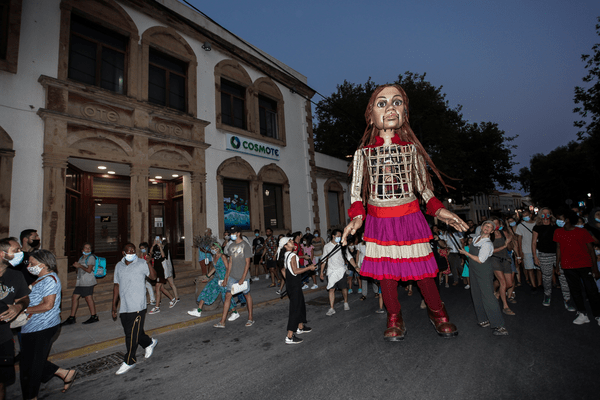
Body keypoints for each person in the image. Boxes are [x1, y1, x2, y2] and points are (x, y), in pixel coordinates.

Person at [342, 84, 467, 341]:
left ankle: (437, 311)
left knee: (421, 269)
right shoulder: (362, 155)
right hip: (379, 220)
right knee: (386, 274)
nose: (390, 108)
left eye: (397, 102)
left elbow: (424, 190)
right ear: (371, 115)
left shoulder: (412, 150)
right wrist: (356, 218)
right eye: (381, 103)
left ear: (405, 112)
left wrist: (441, 211)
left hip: (410, 217)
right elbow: (356, 194)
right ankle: (394, 316)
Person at [19, 249, 79, 398]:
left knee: (33, 366)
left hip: (43, 326)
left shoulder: (49, 280)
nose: (29, 266)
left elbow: (48, 305)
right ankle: (65, 374)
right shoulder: (40, 278)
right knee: (29, 361)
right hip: (32, 326)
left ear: (44, 264)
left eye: (32, 263)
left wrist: (22, 309)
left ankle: (31, 396)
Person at [112, 243, 158, 375]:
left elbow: (153, 277)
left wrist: (149, 263)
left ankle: (129, 360)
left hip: (138, 306)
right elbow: (116, 285)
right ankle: (149, 343)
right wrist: (113, 306)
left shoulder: (141, 263)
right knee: (134, 332)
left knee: (130, 335)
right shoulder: (118, 266)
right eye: (129, 251)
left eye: (133, 251)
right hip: (125, 306)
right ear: (123, 253)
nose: (131, 253)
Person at [459, 221, 509, 336]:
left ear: (492, 231)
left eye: (490, 227)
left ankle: (499, 325)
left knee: (488, 297)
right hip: (474, 271)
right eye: (486, 225)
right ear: (481, 227)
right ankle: (483, 320)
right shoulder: (476, 238)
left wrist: (465, 253)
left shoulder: (487, 244)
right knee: (476, 294)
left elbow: (480, 260)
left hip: (484, 272)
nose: (487, 228)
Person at [553, 210, 600, 325]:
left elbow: (591, 250)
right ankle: (583, 313)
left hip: (584, 265)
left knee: (592, 291)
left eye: (561, 218)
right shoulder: (558, 232)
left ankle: (598, 315)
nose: (558, 220)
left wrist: (595, 268)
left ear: (567, 220)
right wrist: (558, 265)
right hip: (568, 266)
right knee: (575, 290)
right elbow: (558, 249)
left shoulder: (582, 232)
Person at [0, 238, 30, 400]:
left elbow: (25, 298)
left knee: (2, 382)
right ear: (2, 253)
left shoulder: (16, 276)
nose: (20, 254)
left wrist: (19, 306)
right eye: (16, 250)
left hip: (4, 338)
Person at [532, 208, 573, 310]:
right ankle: (547, 295)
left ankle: (567, 299)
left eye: (547, 213)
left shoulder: (556, 226)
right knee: (546, 277)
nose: (545, 215)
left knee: (563, 276)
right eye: (543, 213)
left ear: (551, 214)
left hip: (558, 255)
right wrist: (535, 257)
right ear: (540, 215)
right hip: (544, 254)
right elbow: (533, 243)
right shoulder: (537, 227)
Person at [277, 237, 316, 344]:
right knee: (295, 308)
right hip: (294, 285)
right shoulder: (292, 255)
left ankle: (300, 327)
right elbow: (295, 270)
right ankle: (289, 336)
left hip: (291, 284)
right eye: (289, 242)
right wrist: (309, 268)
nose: (292, 242)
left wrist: (289, 280)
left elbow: (283, 270)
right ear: (285, 246)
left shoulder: (286, 255)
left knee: (300, 305)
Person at [214, 226, 254, 328]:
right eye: (230, 233)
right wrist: (226, 278)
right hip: (232, 276)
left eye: (233, 233)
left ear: (238, 233)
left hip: (243, 276)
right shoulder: (231, 246)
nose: (231, 235)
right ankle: (222, 321)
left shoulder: (246, 245)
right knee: (227, 296)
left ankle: (250, 318)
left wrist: (243, 278)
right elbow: (230, 262)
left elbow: (247, 263)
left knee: (247, 295)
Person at [187, 242, 234, 317]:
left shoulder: (223, 257)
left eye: (213, 249)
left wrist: (225, 280)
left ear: (217, 248)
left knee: (226, 297)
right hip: (216, 278)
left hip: (223, 279)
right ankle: (198, 311)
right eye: (211, 249)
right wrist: (207, 277)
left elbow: (228, 268)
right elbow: (215, 268)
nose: (212, 250)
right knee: (206, 290)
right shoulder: (214, 256)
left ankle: (234, 312)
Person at [320, 229, 357, 316]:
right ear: (333, 236)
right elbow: (324, 260)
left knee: (344, 288)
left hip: (341, 270)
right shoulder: (327, 247)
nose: (340, 238)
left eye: (340, 236)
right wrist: (321, 272)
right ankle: (332, 308)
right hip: (331, 271)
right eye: (338, 236)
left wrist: (355, 266)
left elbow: (349, 257)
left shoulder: (342, 245)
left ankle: (345, 302)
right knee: (331, 289)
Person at [62, 242, 98, 325]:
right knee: (74, 297)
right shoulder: (81, 258)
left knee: (88, 298)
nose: (87, 249)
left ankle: (94, 316)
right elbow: (79, 270)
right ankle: (72, 317)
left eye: (89, 248)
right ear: (82, 250)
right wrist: (77, 267)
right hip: (80, 282)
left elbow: (89, 270)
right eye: (86, 248)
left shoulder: (91, 257)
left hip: (87, 282)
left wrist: (80, 266)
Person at [489, 218, 515, 316]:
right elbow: (489, 252)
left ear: (500, 224)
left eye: (497, 223)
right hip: (494, 259)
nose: (495, 225)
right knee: (503, 282)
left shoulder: (504, 233)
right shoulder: (489, 236)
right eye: (493, 223)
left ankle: (497, 292)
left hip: (505, 259)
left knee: (509, 284)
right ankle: (505, 307)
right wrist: (504, 245)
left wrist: (509, 242)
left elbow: (510, 247)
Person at [149, 237, 176, 314]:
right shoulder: (154, 248)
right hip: (156, 270)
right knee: (162, 288)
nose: (157, 241)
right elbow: (150, 253)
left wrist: (160, 246)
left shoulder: (164, 247)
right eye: (156, 240)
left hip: (162, 271)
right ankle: (172, 299)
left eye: (158, 240)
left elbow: (164, 256)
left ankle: (157, 307)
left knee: (157, 287)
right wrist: (153, 245)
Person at [516, 210, 541, 292]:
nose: (525, 217)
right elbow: (519, 240)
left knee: (538, 268)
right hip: (526, 250)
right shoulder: (520, 226)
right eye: (523, 216)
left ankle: (540, 284)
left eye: (526, 215)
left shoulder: (536, 224)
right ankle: (534, 285)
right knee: (529, 269)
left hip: (537, 250)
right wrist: (520, 253)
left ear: (530, 215)